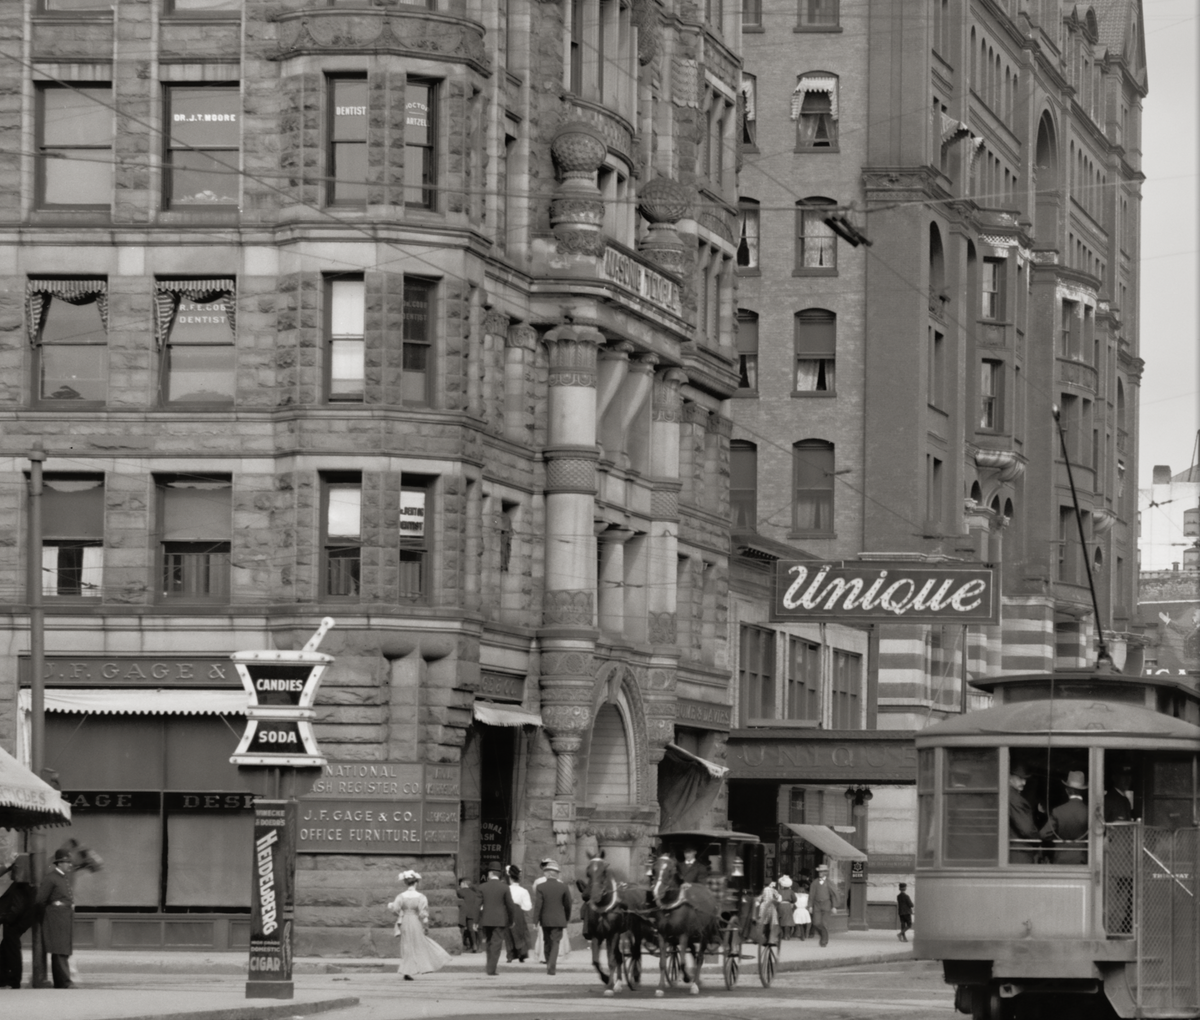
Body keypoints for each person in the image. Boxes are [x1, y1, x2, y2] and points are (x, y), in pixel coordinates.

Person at [388, 870, 452, 980]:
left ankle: (408, 970)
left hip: (405, 921)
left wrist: (398, 912)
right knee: (420, 943)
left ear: (406, 883)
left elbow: (395, 909)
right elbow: (423, 913)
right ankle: (425, 964)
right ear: (416, 883)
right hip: (415, 921)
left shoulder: (401, 896)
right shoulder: (421, 897)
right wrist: (426, 925)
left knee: (406, 945)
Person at [34, 848, 74, 989]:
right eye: (67, 862)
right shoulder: (51, 878)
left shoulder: (62, 877)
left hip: (63, 918)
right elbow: (40, 900)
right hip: (56, 918)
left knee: (62, 949)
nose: (70, 865)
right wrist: (51, 912)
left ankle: (61, 982)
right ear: (60, 863)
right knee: (59, 949)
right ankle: (65, 982)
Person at [532, 859, 572, 976]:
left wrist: (535, 921)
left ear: (547, 874)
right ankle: (551, 966)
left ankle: (549, 962)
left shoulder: (541, 886)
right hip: (559, 919)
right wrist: (567, 918)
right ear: (556, 874)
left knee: (547, 942)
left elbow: (538, 905)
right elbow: (567, 904)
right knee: (555, 943)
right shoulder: (563, 887)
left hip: (545, 919)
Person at [1040, 771, 1090, 864]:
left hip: (1061, 859)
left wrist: (1058, 837)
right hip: (1082, 861)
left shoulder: (1057, 811)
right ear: (1083, 791)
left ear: (1066, 790)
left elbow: (1044, 834)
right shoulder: (1089, 811)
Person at [478, 862, 516, 975]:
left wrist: (476, 921)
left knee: (489, 943)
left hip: (486, 919)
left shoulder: (482, 887)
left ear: (490, 873)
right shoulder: (504, 887)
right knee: (496, 944)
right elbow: (510, 905)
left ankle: (489, 966)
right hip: (500, 920)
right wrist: (511, 920)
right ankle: (491, 968)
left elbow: (477, 905)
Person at [1008, 763, 1041, 863]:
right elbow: (1027, 829)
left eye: (1025, 779)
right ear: (1009, 777)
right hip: (1020, 854)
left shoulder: (1006, 795)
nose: (1024, 782)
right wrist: (1038, 840)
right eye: (1020, 778)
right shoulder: (1016, 799)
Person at [504, 864, 532, 963]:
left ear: (510, 878)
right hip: (518, 912)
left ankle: (510, 955)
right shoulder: (523, 891)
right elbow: (527, 906)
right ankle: (522, 954)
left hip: (507, 911)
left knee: (508, 933)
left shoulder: (506, 889)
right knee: (520, 933)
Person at [809, 863, 835, 948]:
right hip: (816, 905)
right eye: (819, 871)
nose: (820, 873)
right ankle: (823, 935)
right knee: (816, 923)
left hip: (826, 904)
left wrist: (834, 906)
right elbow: (811, 895)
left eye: (822, 871)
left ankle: (824, 940)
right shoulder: (815, 883)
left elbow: (833, 895)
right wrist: (810, 906)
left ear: (825, 873)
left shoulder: (829, 883)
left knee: (824, 923)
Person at [456, 876, 482, 953]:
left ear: (464, 884)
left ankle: (460, 946)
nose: (460, 885)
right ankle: (474, 945)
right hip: (471, 913)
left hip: (462, 913)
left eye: (460, 884)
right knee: (471, 930)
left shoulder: (460, 892)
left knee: (461, 929)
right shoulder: (474, 894)